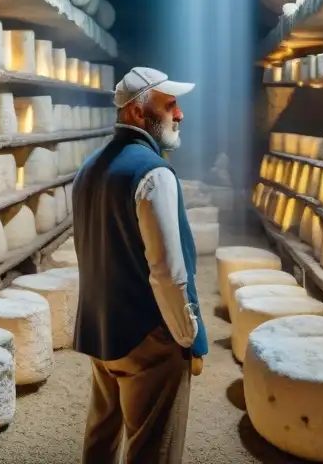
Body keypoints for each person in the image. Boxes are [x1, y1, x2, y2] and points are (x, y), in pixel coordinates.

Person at [72, 67, 208, 464]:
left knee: (102, 437)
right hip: (148, 337)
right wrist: (186, 336)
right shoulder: (153, 174)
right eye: (169, 105)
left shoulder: (88, 168)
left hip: (102, 329)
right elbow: (167, 272)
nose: (178, 115)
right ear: (136, 111)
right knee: (153, 448)